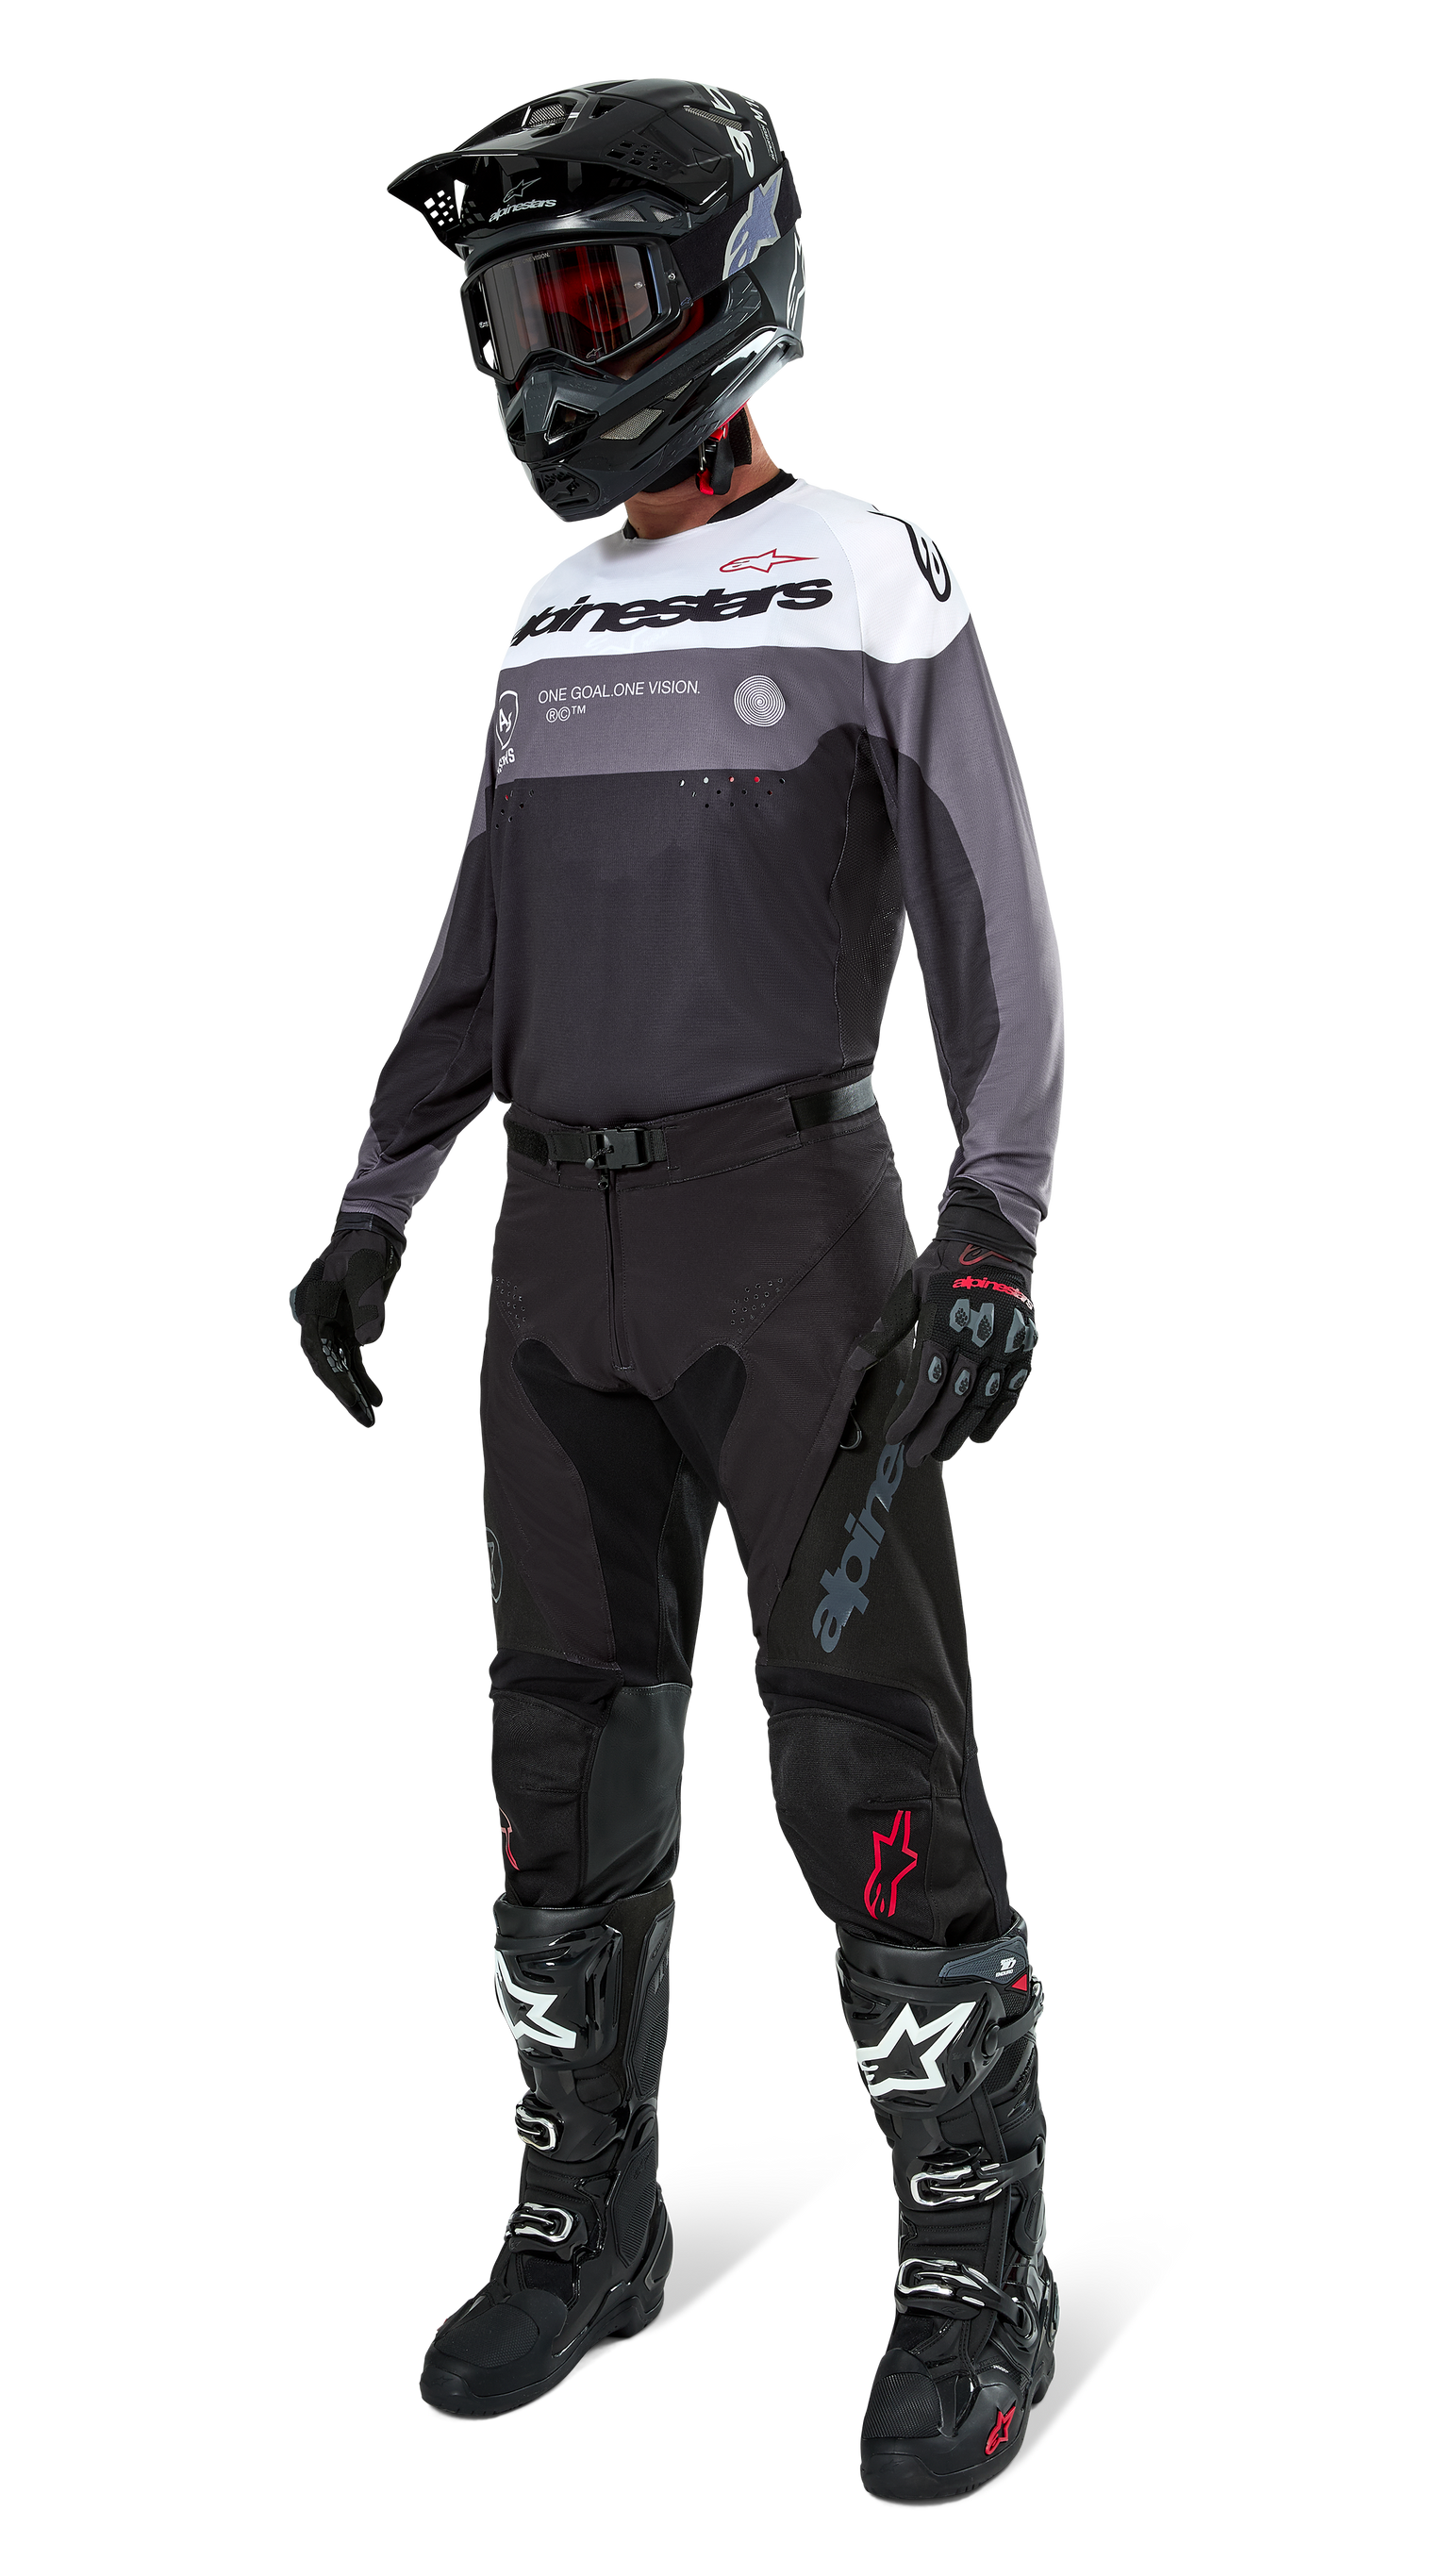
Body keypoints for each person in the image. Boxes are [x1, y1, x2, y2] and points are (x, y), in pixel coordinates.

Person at [290, 76, 1066, 2499]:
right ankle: (584, 2218)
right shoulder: (541, 618)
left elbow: (1002, 926)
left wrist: (996, 1221)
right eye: (505, 314)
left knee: (862, 1750)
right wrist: (380, 1201)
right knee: (560, 1760)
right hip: (554, 1256)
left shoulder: (873, 573)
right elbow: (477, 945)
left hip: (792, 1237)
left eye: (585, 294)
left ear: (728, 292)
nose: (541, 355)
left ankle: (974, 2266)